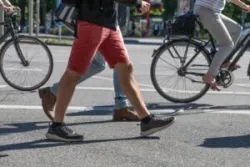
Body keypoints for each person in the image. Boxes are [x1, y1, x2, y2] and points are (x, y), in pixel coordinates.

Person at [45, 0, 175, 142]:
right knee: (74, 72)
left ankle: (147, 121)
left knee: (125, 67)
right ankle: (56, 126)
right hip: (91, 21)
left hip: (110, 22)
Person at [39, 4, 139, 122]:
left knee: (115, 63)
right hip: (93, 17)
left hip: (105, 18)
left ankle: (122, 106)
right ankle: (53, 100)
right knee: (109, 63)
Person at [193, 0, 250, 90]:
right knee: (227, 44)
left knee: (237, 29)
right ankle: (209, 76)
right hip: (205, 11)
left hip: (213, 12)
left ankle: (225, 61)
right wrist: (245, 6)